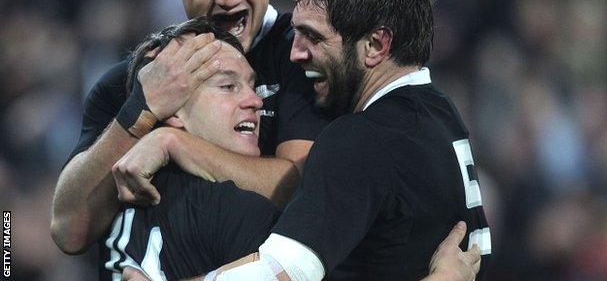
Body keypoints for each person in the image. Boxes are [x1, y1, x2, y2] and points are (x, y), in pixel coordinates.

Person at [185, 0, 491, 280]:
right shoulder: (440, 114)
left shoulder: (363, 139)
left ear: (375, 44)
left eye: (313, 37)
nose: (295, 53)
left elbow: (279, 274)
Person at [103, 18, 481, 281]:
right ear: (173, 114)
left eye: (252, 85)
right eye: (227, 87)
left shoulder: (125, 214)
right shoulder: (238, 212)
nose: (254, 100)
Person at [51, 0, 329, 256]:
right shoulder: (128, 81)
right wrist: (138, 111)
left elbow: (304, 191)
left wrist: (172, 144)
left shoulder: (304, 59)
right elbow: (69, 230)